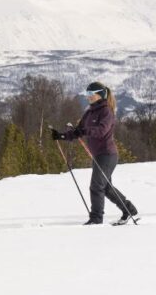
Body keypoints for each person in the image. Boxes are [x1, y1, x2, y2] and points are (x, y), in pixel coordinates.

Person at [51, 81, 139, 225]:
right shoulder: (89, 112)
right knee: (106, 188)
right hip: (98, 155)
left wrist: (85, 131)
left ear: (100, 95)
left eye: (91, 94)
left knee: (97, 186)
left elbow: (101, 131)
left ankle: (96, 219)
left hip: (107, 154)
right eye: (87, 94)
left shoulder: (107, 112)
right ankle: (129, 210)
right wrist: (61, 136)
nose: (88, 97)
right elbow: (77, 131)